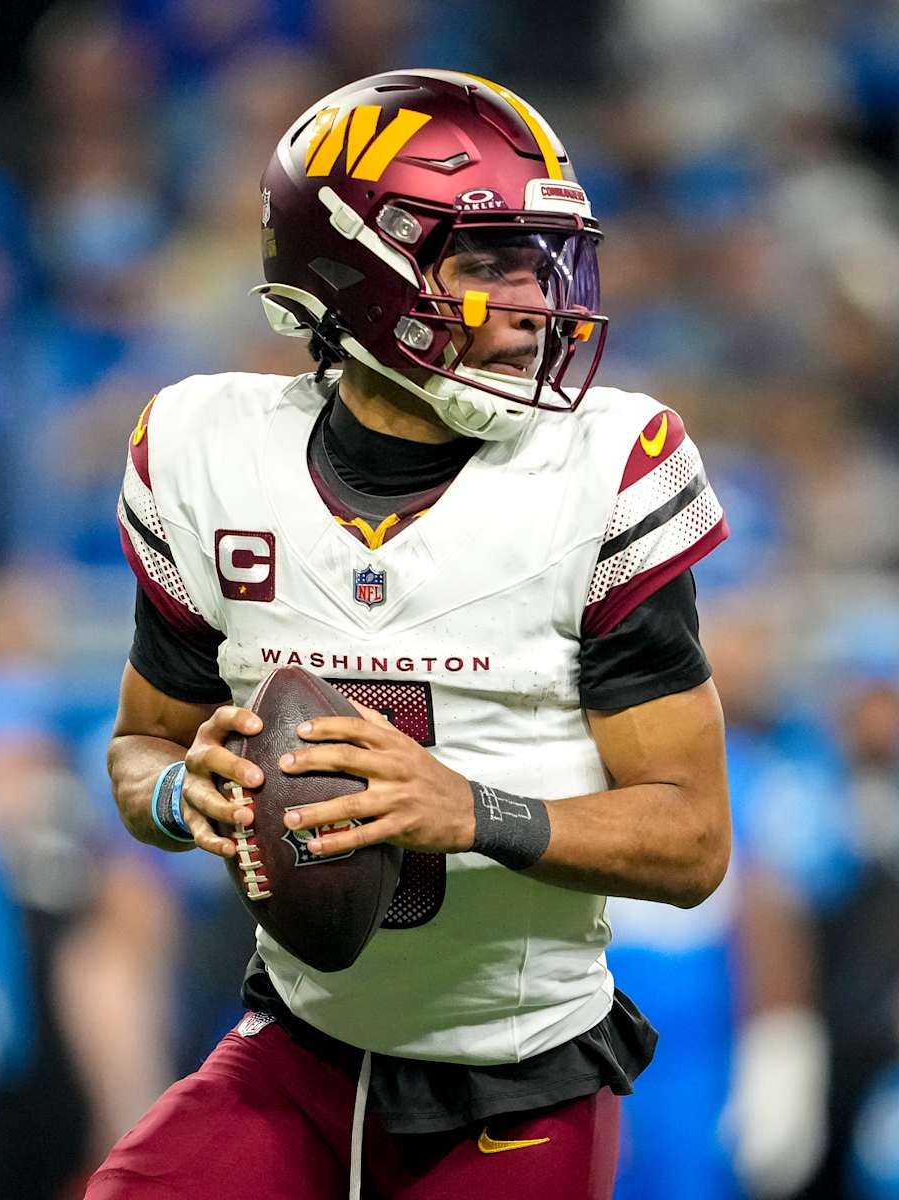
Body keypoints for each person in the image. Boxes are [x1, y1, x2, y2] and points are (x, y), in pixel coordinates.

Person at [87, 70, 731, 1200]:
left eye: (544, 260)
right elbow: (139, 751)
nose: (535, 299)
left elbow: (693, 842)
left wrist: (473, 811)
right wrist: (193, 799)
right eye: (487, 261)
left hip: (517, 1077)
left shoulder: (605, 470)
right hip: (295, 1049)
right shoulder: (207, 452)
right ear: (355, 265)